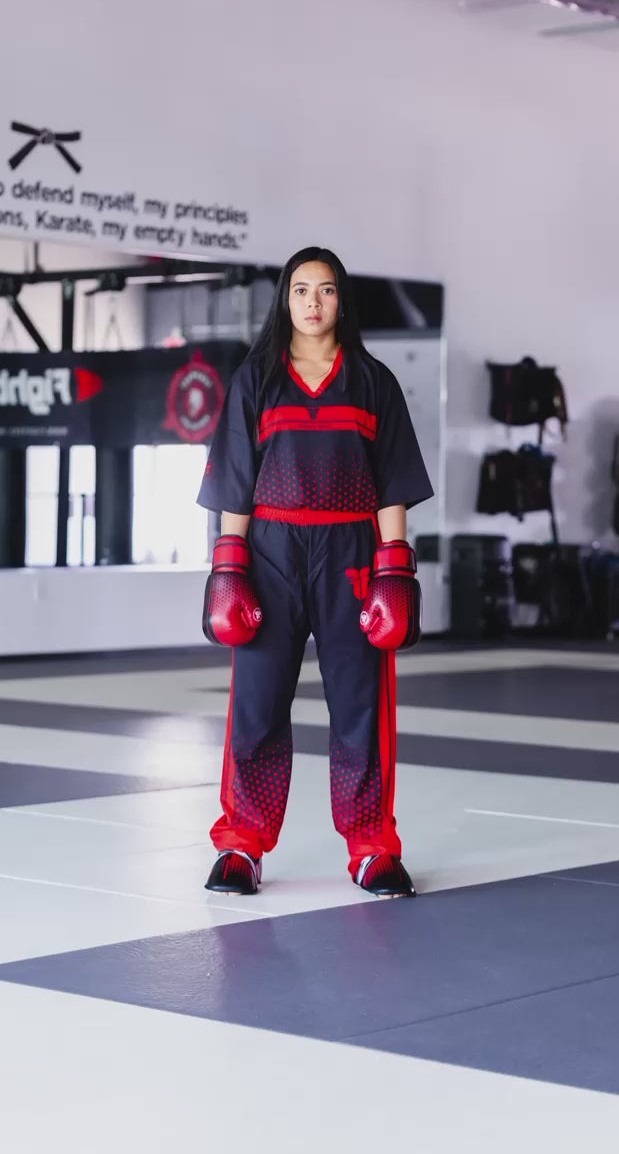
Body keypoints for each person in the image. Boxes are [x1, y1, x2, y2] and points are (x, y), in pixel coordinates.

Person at [196, 247, 433, 898]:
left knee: (361, 708)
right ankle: (241, 845)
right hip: (270, 553)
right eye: (301, 289)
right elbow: (235, 482)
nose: (312, 302)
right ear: (285, 299)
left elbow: (392, 483)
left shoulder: (373, 381)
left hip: (351, 553)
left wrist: (394, 570)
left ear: (341, 300)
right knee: (257, 704)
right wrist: (229, 566)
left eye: (325, 290)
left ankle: (372, 846)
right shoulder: (257, 378)